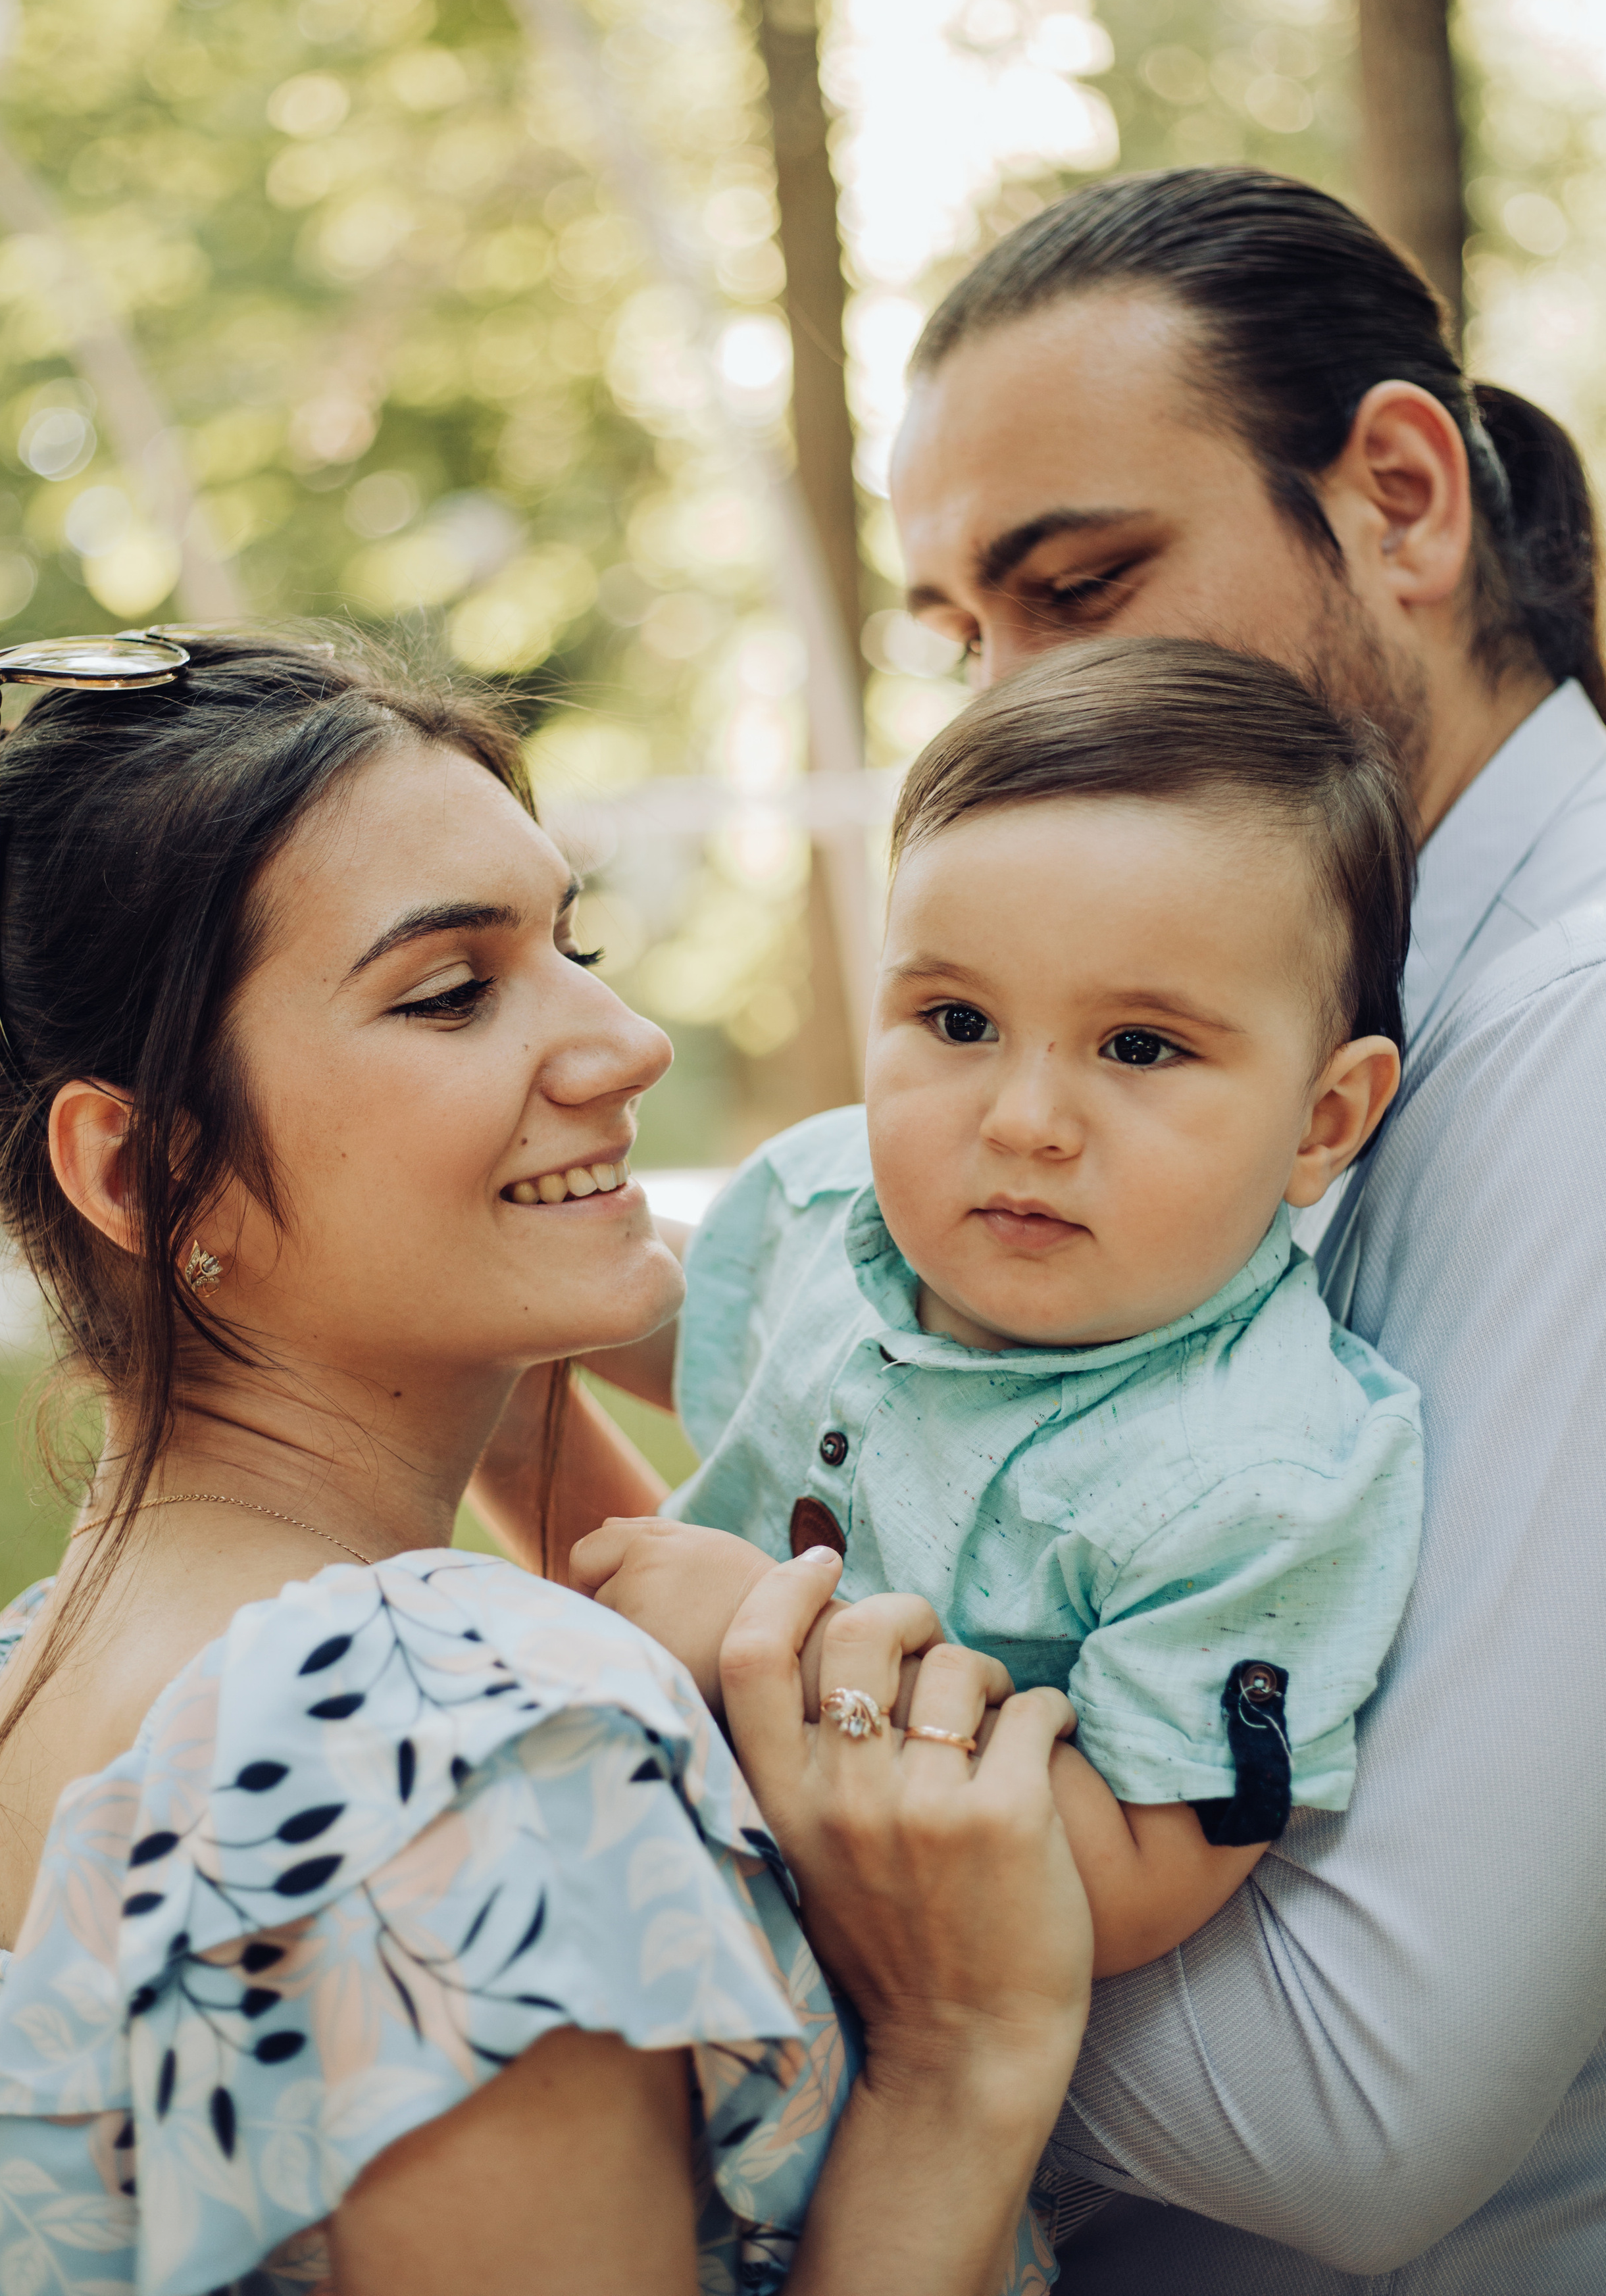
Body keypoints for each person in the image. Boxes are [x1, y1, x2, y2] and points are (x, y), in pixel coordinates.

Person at [474, 168, 1606, 2289]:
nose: (998, 709)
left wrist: (689, 1797)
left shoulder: (1605, 1038)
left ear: (1399, 496)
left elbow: (1344, 2107)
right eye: (959, 640)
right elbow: (780, 1290)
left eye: (1078, 591)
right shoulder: (1234, 1034)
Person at [0, 636, 1090, 2296]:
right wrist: (954, 2057)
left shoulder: (9, 1688)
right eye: (450, 993)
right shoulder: (461, 1747)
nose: (623, 1043)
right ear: (141, 1165)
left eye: (575, 943)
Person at [571, 639, 1424, 1986]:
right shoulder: (826, 1192)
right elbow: (695, 1324)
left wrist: (762, 1645)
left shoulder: (1256, 1482)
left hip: (799, 2026)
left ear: (1321, 1122)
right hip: (588, 1824)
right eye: (956, 1021)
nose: (1022, 1122)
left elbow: (1129, 1878)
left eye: (1138, 1047)